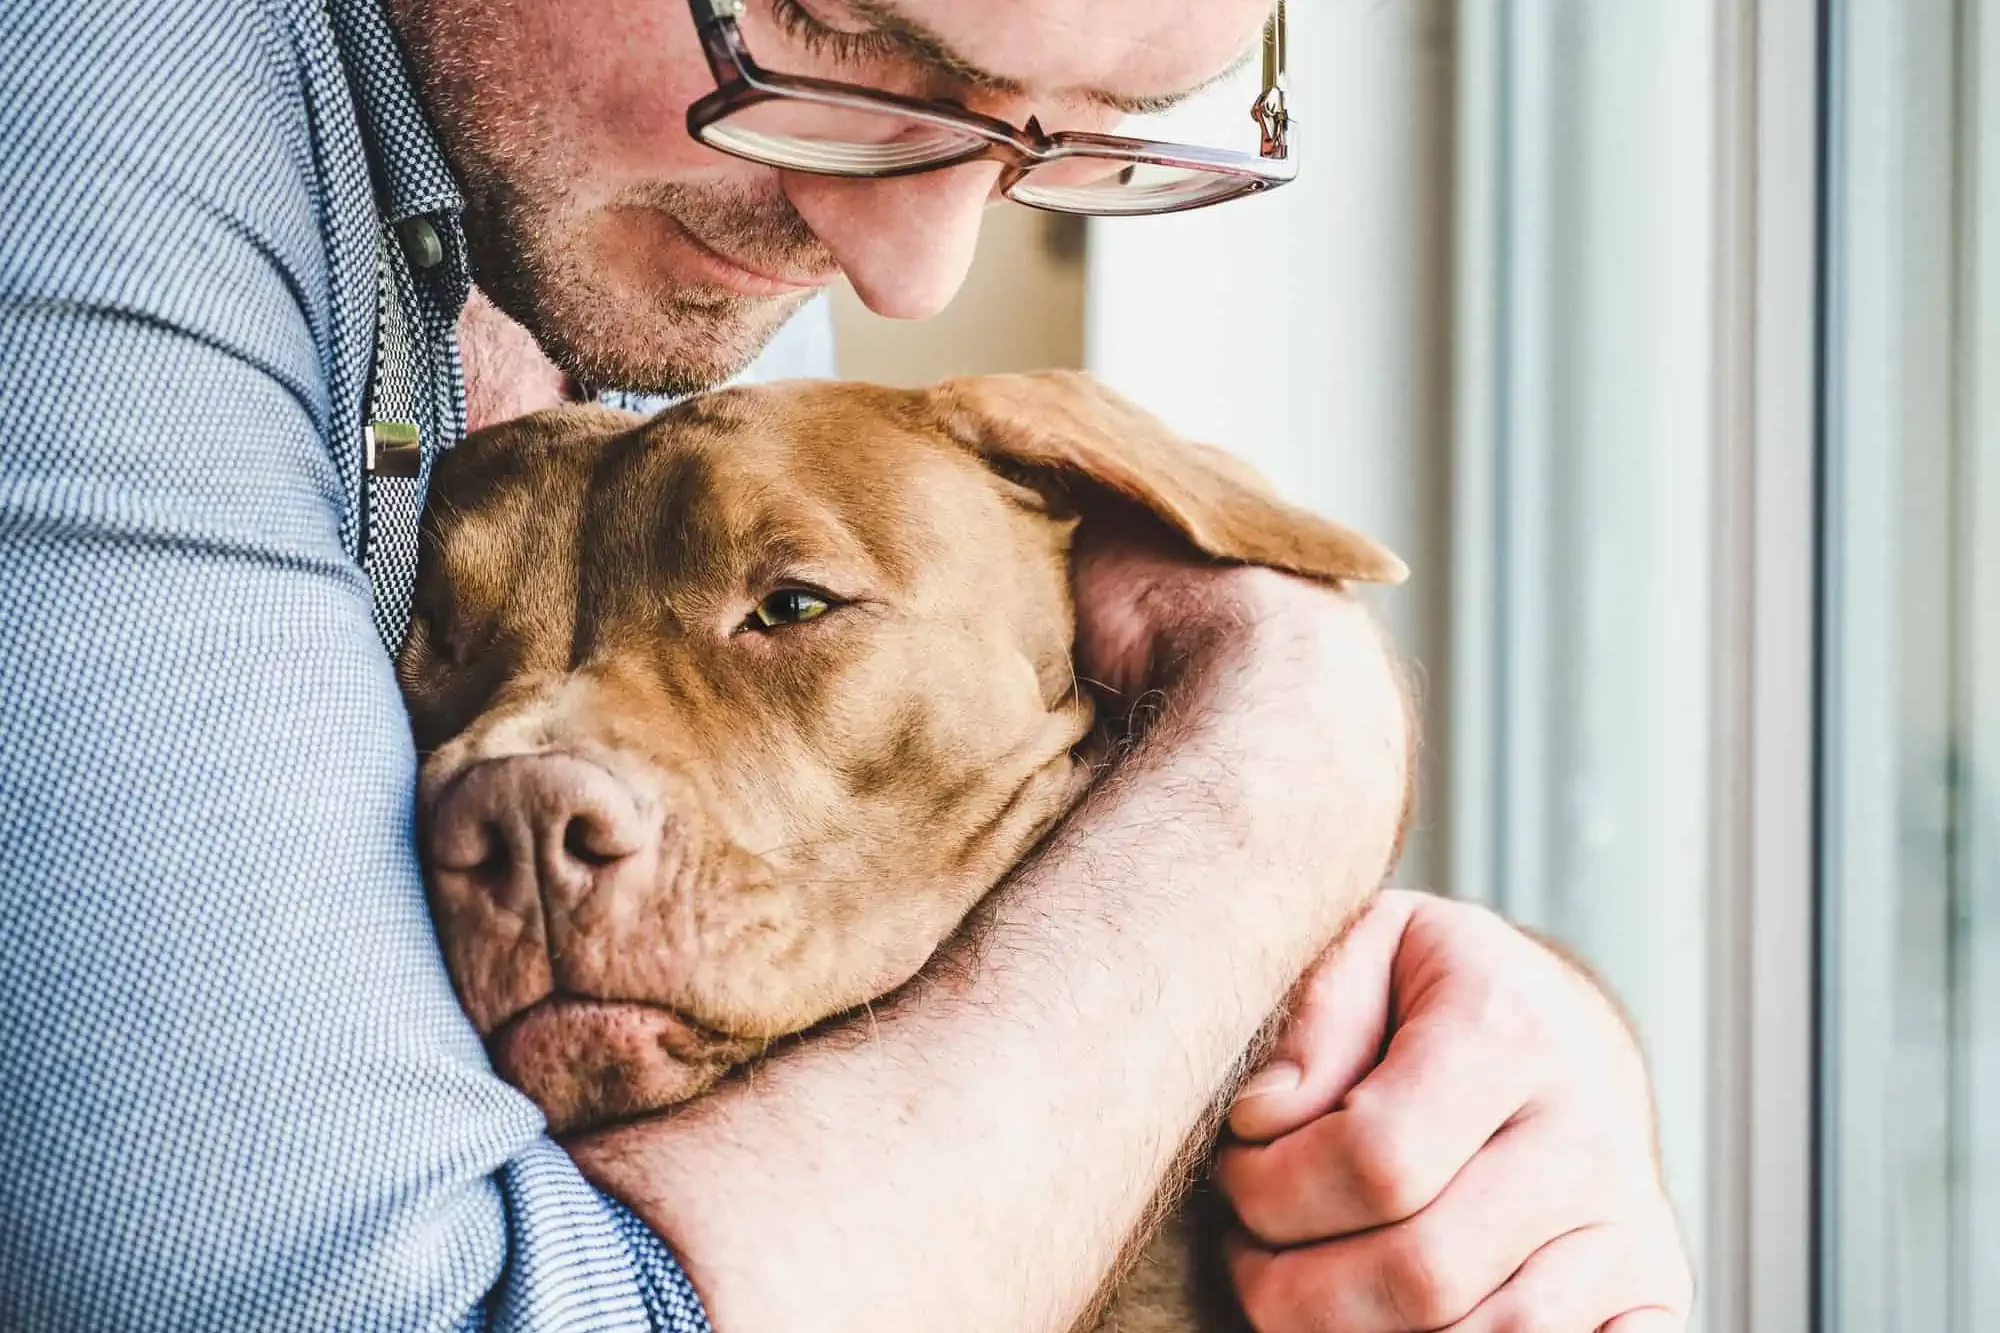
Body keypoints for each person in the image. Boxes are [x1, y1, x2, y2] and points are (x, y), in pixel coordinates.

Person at [0, 0, 1693, 1329]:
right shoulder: (91, 126)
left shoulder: (681, 238)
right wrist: (1285, 763)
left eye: (1078, 143)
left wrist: (1481, 1091)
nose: (909, 269)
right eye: (839, 30)